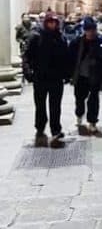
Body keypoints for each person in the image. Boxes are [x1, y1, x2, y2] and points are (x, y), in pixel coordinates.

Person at [22, 12, 70, 147]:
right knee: (40, 106)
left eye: (54, 22)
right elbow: (27, 56)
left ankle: (56, 130)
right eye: (50, 22)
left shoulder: (60, 38)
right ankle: (40, 128)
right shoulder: (36, 37)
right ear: (45, 23)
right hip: (40, 78)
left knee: (55, 106)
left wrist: (67, 74)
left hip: (56, 79)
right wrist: (28, 73)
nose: (52, 25)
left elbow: (66, 58)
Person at [68, 15, 102, 134]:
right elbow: (70, 58)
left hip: (95, 75)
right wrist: (69, 74)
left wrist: (101, 63)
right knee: (79, 98)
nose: (91, 33)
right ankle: (79, 114)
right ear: (84, 30)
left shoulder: (101, 43)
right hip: (81, 76)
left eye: (92, 30)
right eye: (88, 30)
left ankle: (92, 122)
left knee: (94, 99)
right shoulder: (77, 42)